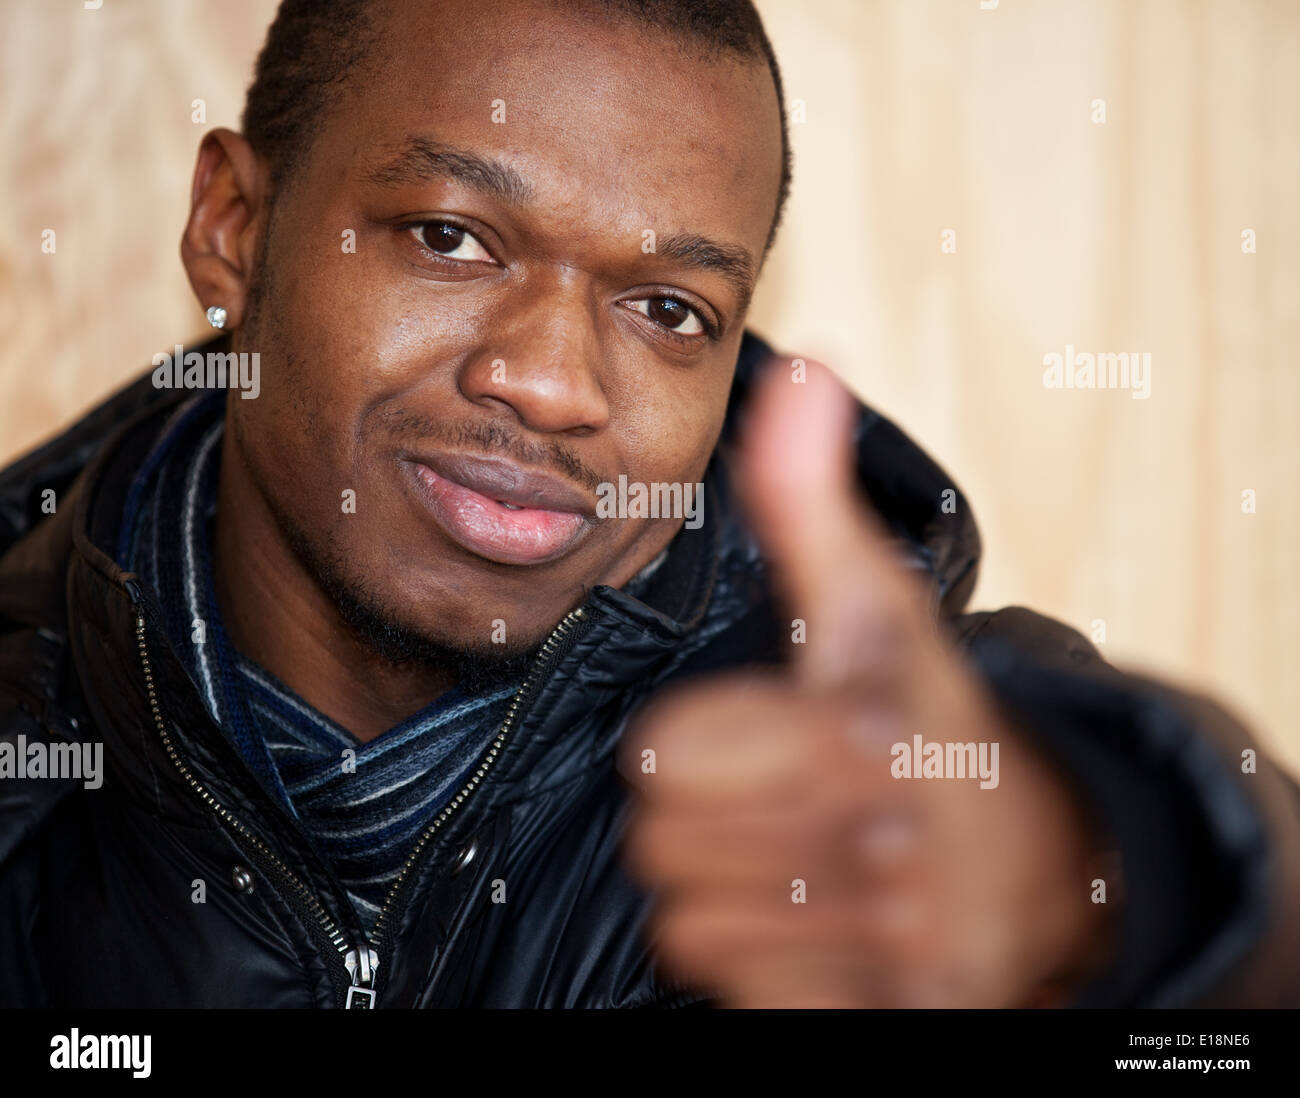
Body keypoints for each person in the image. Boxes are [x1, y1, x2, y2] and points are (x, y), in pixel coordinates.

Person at [1, 0, 1297, 1008]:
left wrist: (1096, 884)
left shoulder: (887, 771)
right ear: (232, 223)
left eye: (667, 308)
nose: (554, 383)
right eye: (451, 236)